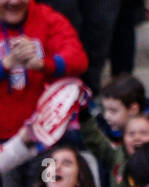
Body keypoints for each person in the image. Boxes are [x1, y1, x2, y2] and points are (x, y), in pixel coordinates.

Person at [0, 0, 87, 141]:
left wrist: (43, 64)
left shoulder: (47, 18)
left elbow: (78, 60)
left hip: (43, 136)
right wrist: (6, 64)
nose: (15, 2)